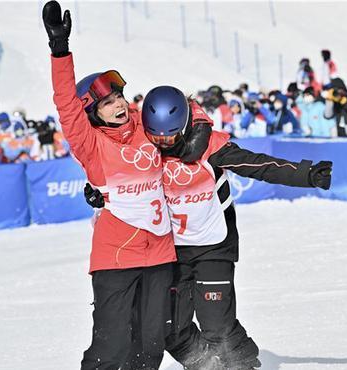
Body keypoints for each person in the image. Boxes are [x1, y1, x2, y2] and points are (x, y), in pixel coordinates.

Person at [85, 85, 333, 370]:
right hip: (172, 251)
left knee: (217, 324)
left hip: (214, 244)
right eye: (158, 137)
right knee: (169, 325)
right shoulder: (144, 149)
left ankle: (240, 364)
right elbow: (114, 165)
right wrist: (96, 192)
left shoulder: (209, 146)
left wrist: (307, 174)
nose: (165, 143)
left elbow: (258, 164)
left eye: (172, 136)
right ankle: (207, 364)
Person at [42, 2, 211, 369]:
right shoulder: (92, 145)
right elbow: (67, 106)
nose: (117, 104)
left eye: (118, 96)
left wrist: (201, 125)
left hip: (161, 254)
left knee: (150, 347)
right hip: (116, 255)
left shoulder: (146, 128)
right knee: (112, 347)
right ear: (93, 113)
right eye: (105, 103)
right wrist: (60, 50)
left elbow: (184, 105)